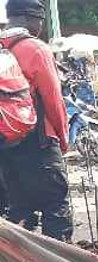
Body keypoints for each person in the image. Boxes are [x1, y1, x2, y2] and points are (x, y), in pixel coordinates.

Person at [0, 0, 72, 241]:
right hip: (39, 143)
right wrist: (62, 139)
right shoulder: (35, 48)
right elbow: (52, 98)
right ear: (31, 19)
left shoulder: (2, 47)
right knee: (56, 207)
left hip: (6, 146)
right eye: (40, 21)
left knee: (19, 212)